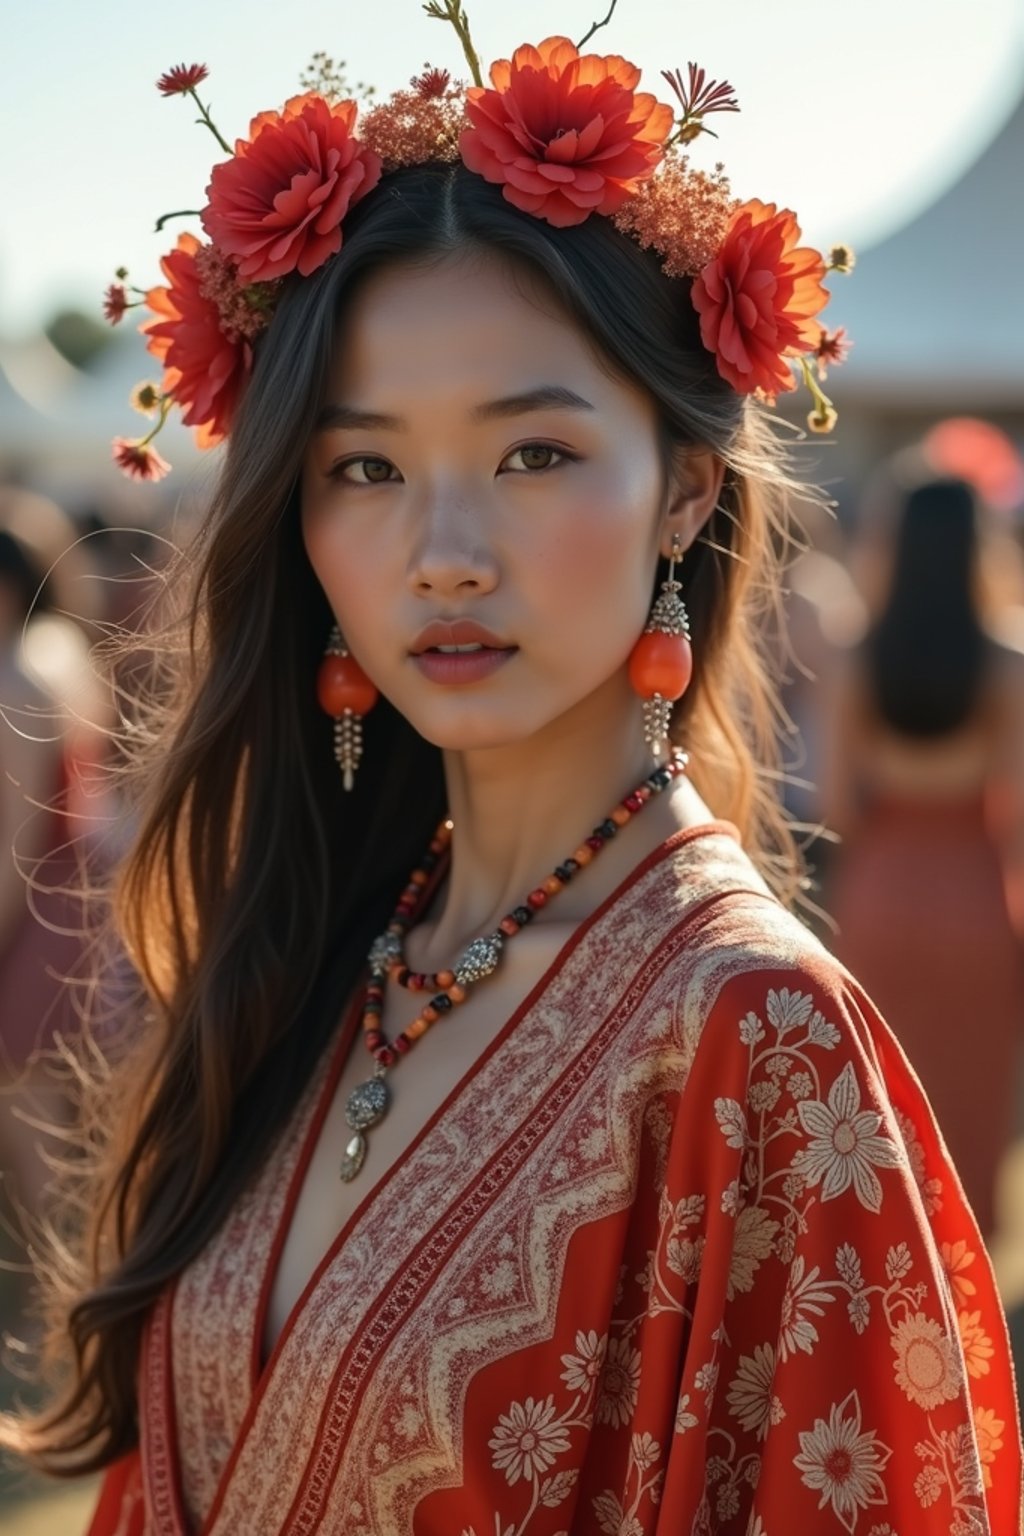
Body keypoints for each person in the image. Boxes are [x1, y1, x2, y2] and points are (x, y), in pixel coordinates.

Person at [2, 17, 1021, 1535]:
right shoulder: (324, 961)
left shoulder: (757, 1042)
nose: (446, 555)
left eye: (533, 454)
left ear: (683, 485)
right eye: (366, 469)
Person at [822, 463, 1024, 1244]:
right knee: (971, 1093)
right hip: (976, 888)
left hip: (881, 888)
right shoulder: (1008, 660)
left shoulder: (855, 653)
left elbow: (838, 804)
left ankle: (878, 1255)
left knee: (877, 1094)